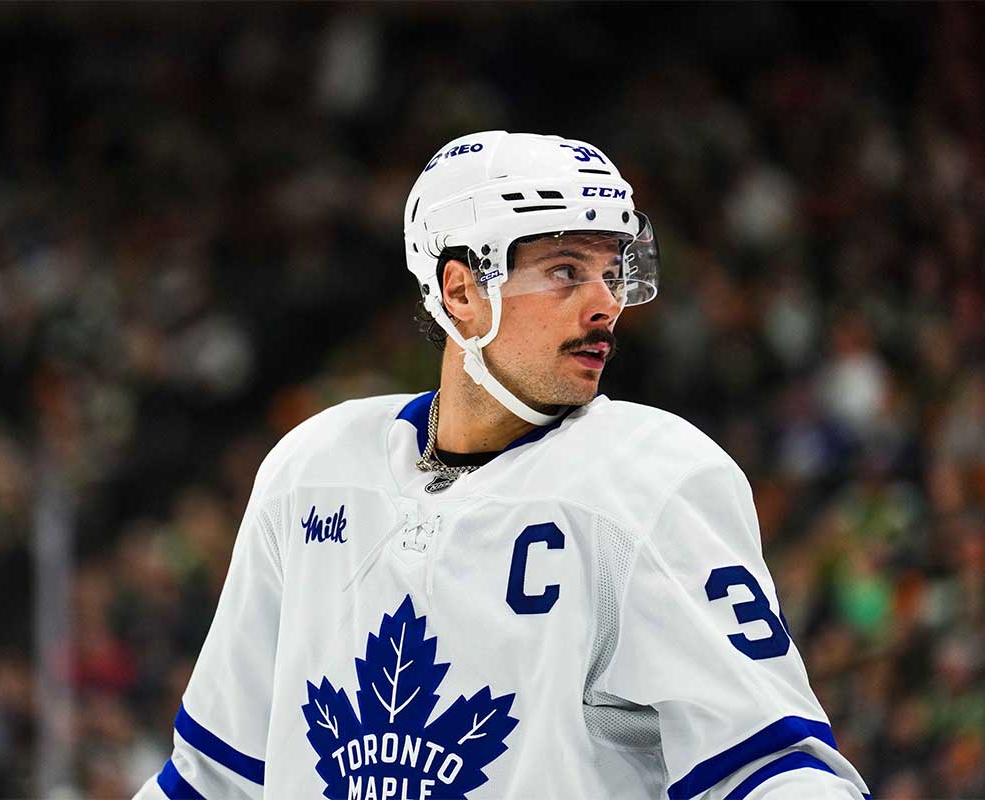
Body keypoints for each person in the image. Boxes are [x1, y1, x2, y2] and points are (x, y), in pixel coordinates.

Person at [135, 132, 870, 800]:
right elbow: (215, 777)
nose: (605, 304)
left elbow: (771, 769)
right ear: (461, 290)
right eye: (564, 270)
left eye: (612, 272)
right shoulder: (311, 473)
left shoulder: (651, 482)